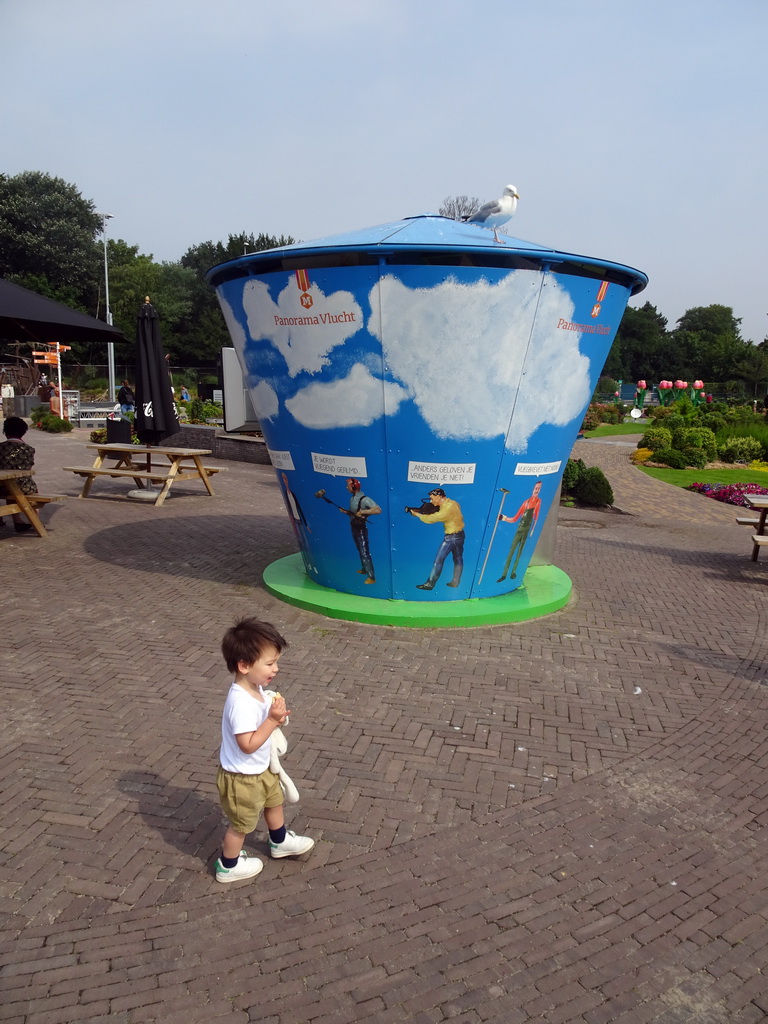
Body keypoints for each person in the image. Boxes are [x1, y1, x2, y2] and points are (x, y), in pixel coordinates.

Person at [215, 618, 314, 883]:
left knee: (274, 801)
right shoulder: (240, 702)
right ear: (244, 665)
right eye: (269, 664)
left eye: (276, 662)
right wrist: (271, 721)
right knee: (241, 825)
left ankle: (279, 841)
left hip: (261, 769)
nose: (276, 669)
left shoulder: (256, 688)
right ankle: (228, 865)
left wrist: (275, 716)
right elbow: (247, 745)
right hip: (242, 777)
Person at [408, 487, 465, 590]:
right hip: (460, 535)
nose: (431, 501)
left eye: (432, 498)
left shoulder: (446, 510)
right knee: (458, 558)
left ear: (439, 496)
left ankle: (430, 584)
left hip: (451, 538)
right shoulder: (453, 503)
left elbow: (431, 519)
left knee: (438, 561)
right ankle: (456, 582)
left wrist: (417, 514)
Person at [497, 480, 542, 582]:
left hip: (526, 531)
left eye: (539, 488)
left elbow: (536, 518)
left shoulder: (539, 502)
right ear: (533, 489)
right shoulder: (525, 503)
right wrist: (503, 518)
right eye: (536, 488)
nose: (537, 490)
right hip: (519, 529)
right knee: (511, 551)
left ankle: (513, 572)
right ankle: (504, 574)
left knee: (519, 552)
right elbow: (514, 519)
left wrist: (533, 530)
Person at [0, 416, 37, 532]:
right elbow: (29, 469)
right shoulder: (29, 449)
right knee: (30, 490)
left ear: (5, 431)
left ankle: (17, 520)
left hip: (1, 487)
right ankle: (35, 521)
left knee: (9, 488)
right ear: (23, 432)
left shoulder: (0, 447)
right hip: (24, 486)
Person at [343, 478, 380, 584]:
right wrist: (346, 512)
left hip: (361, 528)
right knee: (360, 549)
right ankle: (364, 569)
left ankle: (371, 577)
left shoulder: (364, 499)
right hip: (354, 526)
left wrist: (363, 511)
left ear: (354, 487)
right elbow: (354, 513)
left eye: (348, 485)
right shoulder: (352, 499)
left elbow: (377, 509)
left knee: (364, 552)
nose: (347, 487)